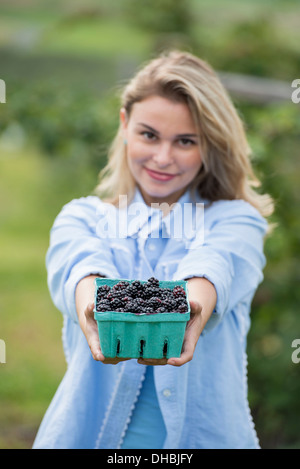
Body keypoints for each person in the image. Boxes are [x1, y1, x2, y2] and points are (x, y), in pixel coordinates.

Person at [32, 50, 274, 449]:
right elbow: (81, 268)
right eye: (149, 135)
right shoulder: (83, 218)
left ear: (209, 144)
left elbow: (215, 262)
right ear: (125, 124)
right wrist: (95, 304)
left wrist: (192, 306)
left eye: (185, 141)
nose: (163, 158)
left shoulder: (236, 220)